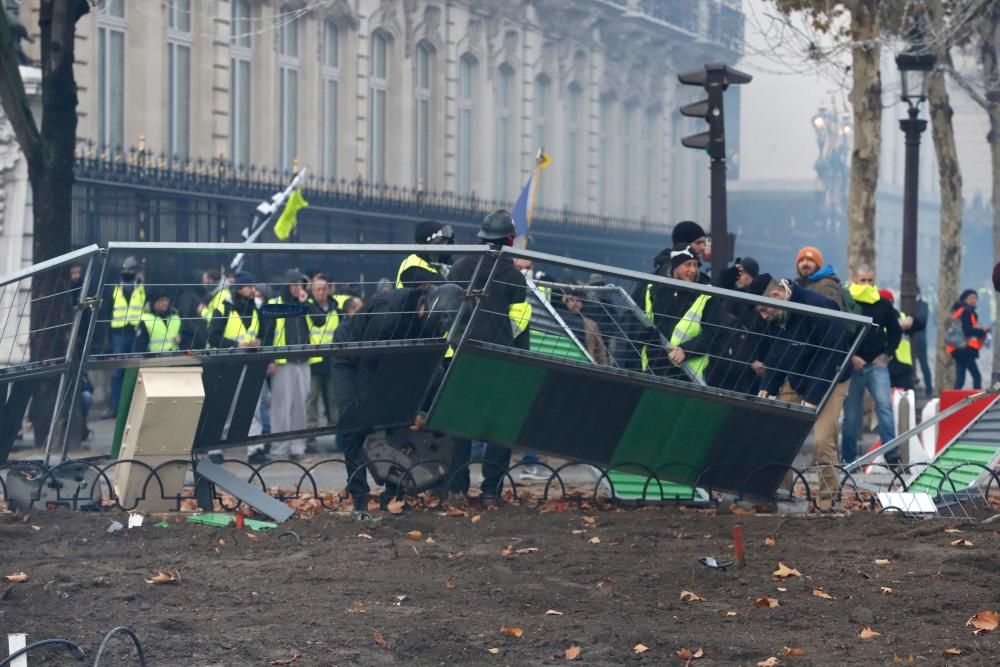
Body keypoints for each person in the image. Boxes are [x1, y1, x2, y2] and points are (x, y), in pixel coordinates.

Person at [331, 284, 463, 511]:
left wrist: (425, 401)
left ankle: (394, 495)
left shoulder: (434, 323)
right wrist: (369, 405)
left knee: (400, 419)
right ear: (427, 307)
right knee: (355, 422)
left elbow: (429, 363)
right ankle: (359, 496)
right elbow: (367, 364)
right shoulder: (388, 315)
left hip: (393, 356)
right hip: (353, 356)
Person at [448, 210, 531, 501]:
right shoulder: (512, 275)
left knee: (459, 424)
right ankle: (491, 491)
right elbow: (520, 317)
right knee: (499, 428)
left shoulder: (460, 267)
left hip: (463, 355)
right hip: (499, 358)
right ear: (509, 240)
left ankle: (456, 488)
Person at [750, 274, 851, 508]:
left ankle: (828, 501)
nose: (764, 317)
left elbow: (831, 355)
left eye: (765, 310)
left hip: (833, 378)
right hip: (797, 377)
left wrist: (813, 398)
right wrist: (767, 386)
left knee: (823, 440)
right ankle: (783, 494)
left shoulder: (818, 307)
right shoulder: (780, 313)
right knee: (779, 432)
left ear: (776, 296)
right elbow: (777, 353)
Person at [840, 266, 902, 465]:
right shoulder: (847, 302)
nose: (866, 284)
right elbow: (841, 332)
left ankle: (891, 455)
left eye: (870, 280)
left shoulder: (883, 304)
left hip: (877, 364)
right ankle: (849, 459)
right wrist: (851, 356)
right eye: (862, 280)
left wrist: (886, 354)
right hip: (854, 365)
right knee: (851, 415)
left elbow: (895, 330)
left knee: (884, 407)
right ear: (855, 281)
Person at [258, 270, 313, 461]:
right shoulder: (274, 305)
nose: (299, 288)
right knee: (280, 409)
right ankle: (279, 450)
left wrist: (306, 301)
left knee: (300, 408)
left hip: (303, 361)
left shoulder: (305, 303)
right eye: (295, 284)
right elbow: (266, 335)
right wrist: (269, 360)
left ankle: (298, 448)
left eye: (301, 284)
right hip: (283, 363)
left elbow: (320, 321)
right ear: (288, 285)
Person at [103, 256, 146, 419]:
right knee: (118, 372)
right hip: (118, 334)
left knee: (134, 372)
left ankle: (132, 407)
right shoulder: (115, 288)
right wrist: (107, 338)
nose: (127, 272)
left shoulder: (142, 288)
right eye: (125, 269)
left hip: (135, 333)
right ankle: (114, 406)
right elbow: (107, 312)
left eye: (130, 270)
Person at [305, 274, 340, 450]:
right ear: (312, 291)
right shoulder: (309, 308)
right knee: (312, 398)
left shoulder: (335, 308)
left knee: (333, 398)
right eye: (317, 289)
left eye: (323, 289)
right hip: (314, 360)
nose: (321, 292)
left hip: (331, 359)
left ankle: (336, 435)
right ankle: (311, 435)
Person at [948, 289, 989, 390]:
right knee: (976, 376)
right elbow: (967, 330)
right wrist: (983, 331)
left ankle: (953, 401)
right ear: (965, 299)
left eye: (975, 298)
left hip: (958, 349)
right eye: (971, 298)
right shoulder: (966, 311)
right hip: (965, 349)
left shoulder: (960, 311)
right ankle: (977, 401)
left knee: (960, 379)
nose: (974, 300)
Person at [396, 220, 455, 288]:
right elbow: (441, 287)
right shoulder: (411, 266)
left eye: (447, 242)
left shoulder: (446, 262)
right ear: (426, 245)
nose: (445, 245)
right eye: (441, 242)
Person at [878, 289, 915, 391]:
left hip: (900, 362)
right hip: (887, 361)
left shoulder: (902, 316)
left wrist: (912, 319)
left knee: (905, 397)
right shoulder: (900, 317)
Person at [909, 286, 933, 398]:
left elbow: (922, 320)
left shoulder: (923, 305)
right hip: (908, 340)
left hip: (919, 339)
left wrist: (909, 323)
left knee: (924, 365)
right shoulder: (905, 303)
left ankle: (929, 389)